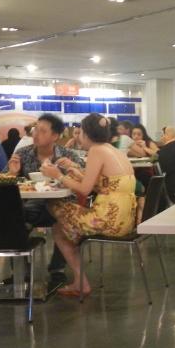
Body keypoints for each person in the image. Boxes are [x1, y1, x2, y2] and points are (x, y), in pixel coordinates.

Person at [42, 114, 136, 297]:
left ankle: (80, 275)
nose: (78, 137)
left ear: (85, 133)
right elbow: (103, 185)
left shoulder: (96, 150)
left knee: (54, 204)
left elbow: (85, 190)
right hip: (125, 220)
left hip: (107, 220)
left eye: (79, 132)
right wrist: (74, 169)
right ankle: (79, 275)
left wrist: (57, 175)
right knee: (60, 229)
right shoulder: (111, 149)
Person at [4, 113, 85, 290]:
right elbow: (3, 181)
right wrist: (12, 173)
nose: (36, 134)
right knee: (13, 217)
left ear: (55, 136)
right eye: (35, 130)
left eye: (42, 131)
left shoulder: (67, 155)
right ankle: (20, 270)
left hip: (62, 203)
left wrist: (69, 170)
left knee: (64, 220)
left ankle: (57, 269)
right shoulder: (22, 154)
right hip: (32, 205)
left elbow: (84, 179)